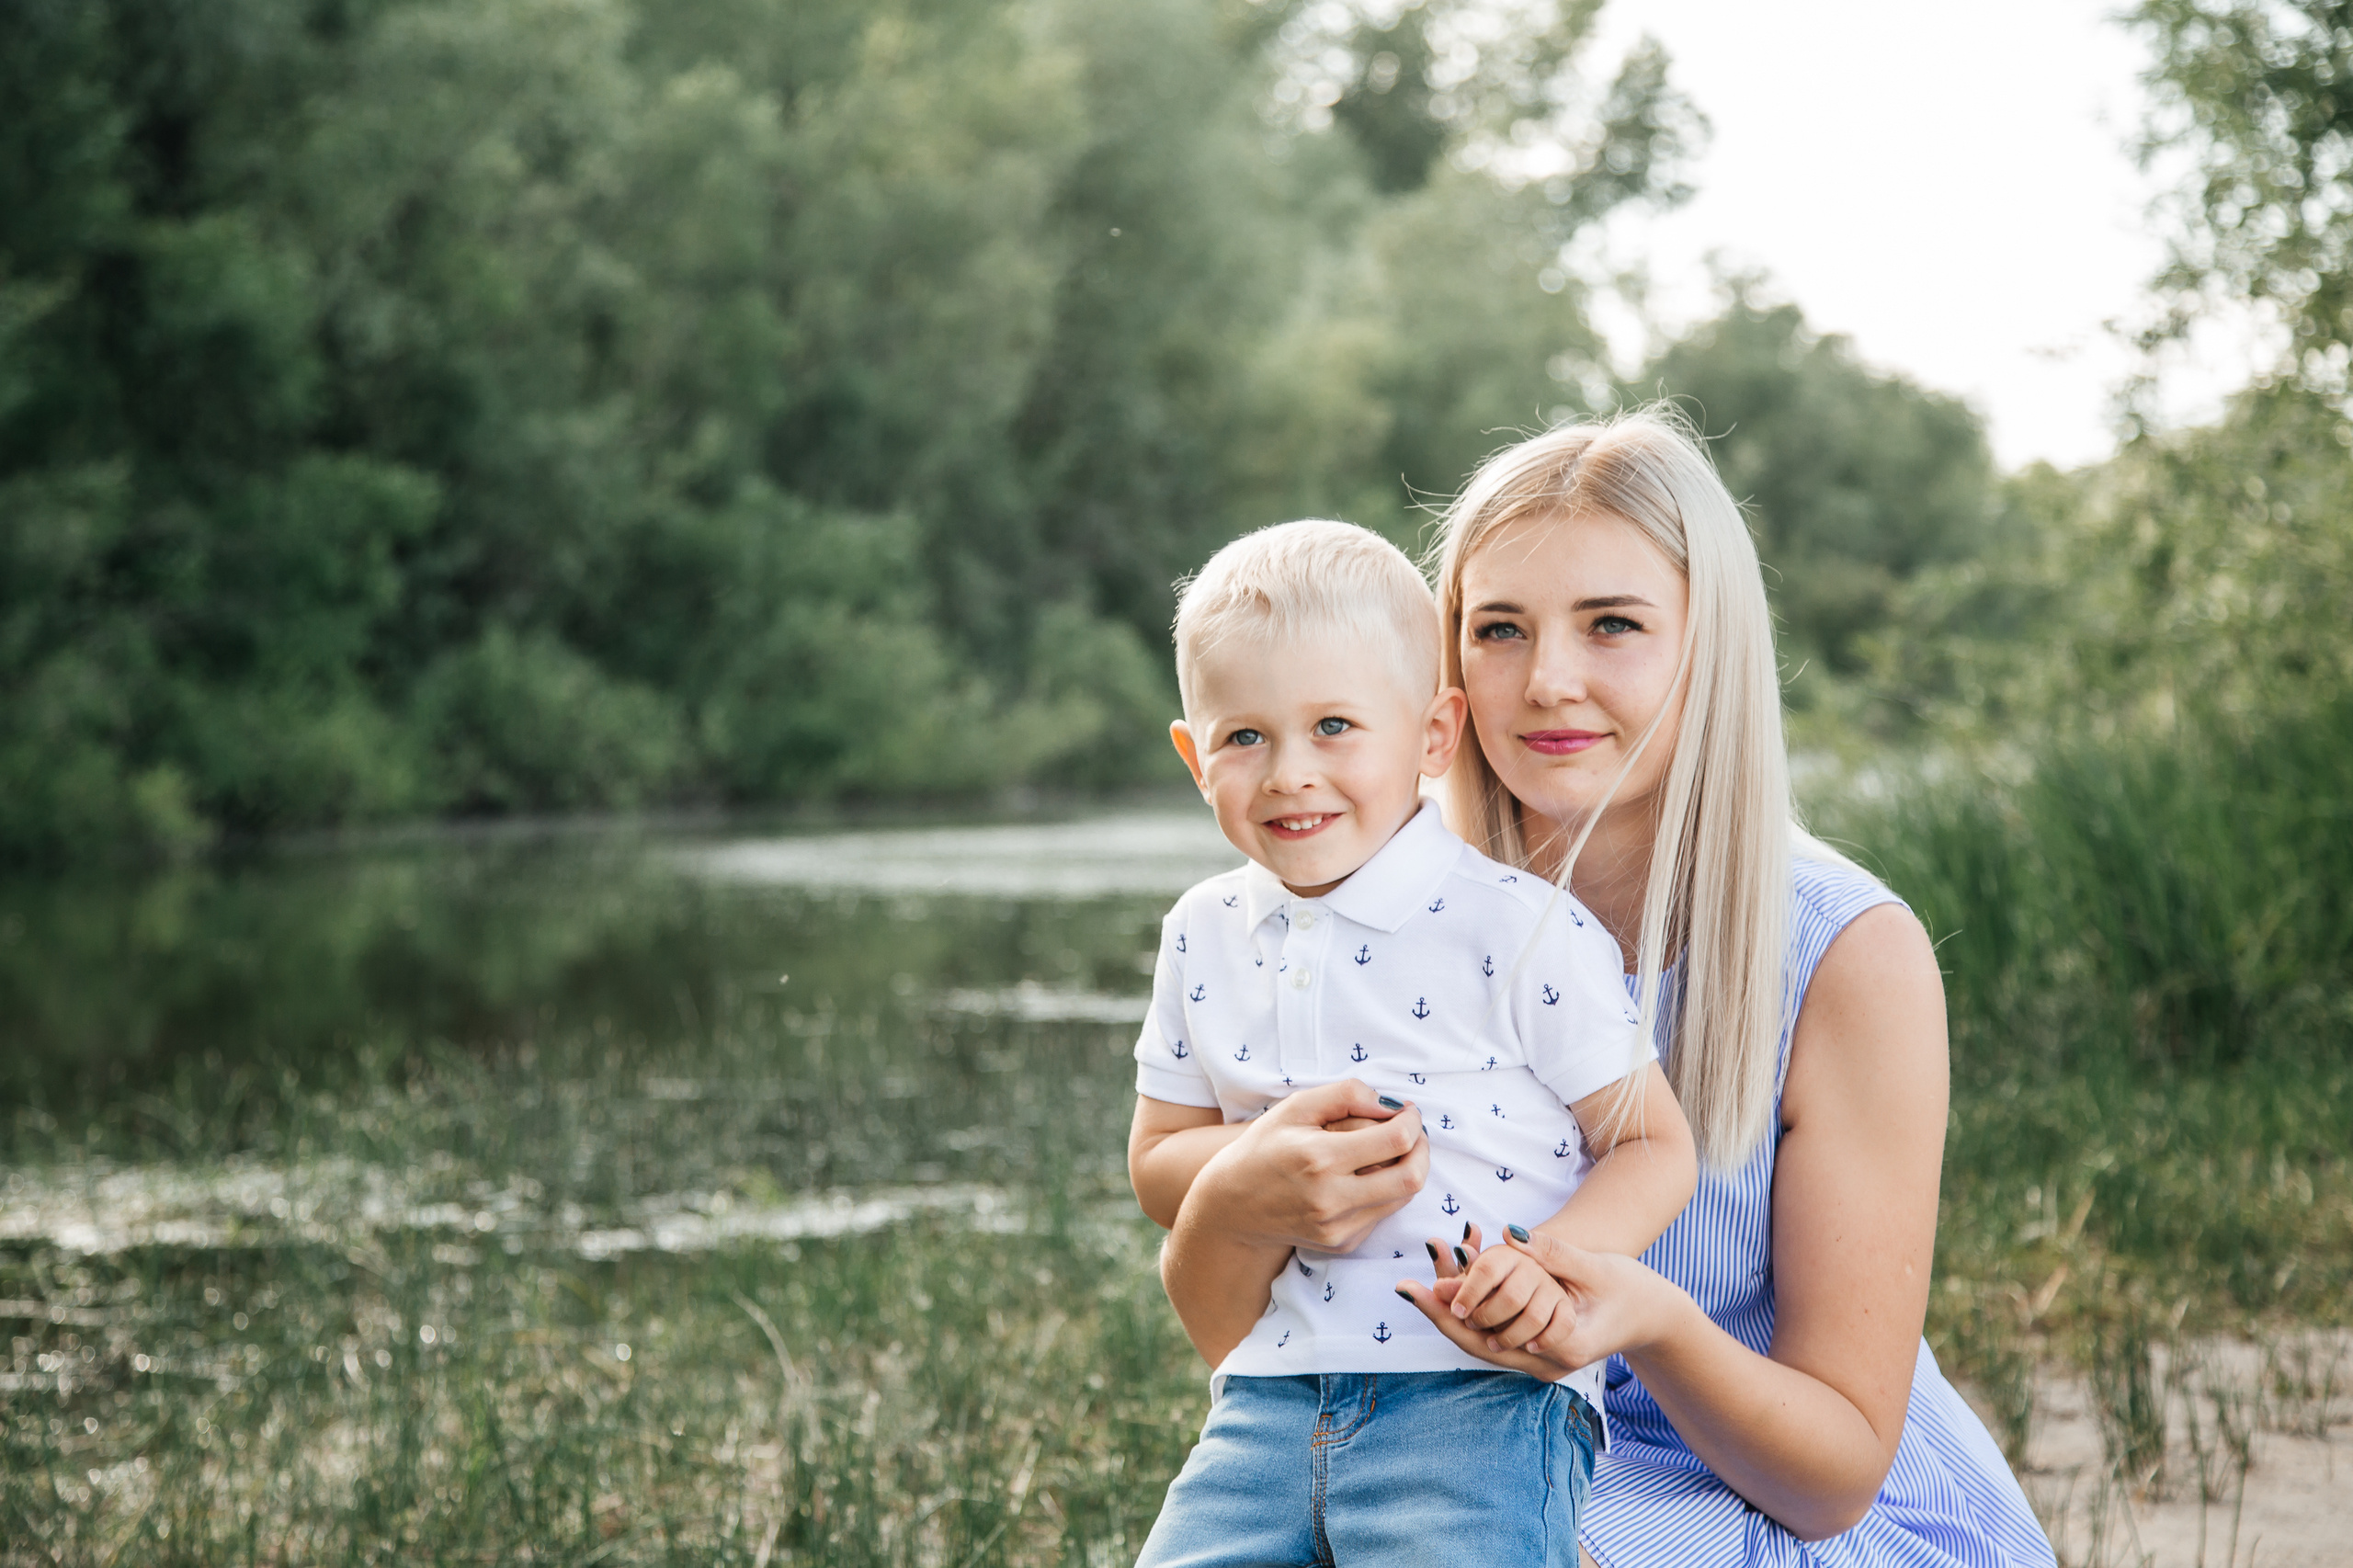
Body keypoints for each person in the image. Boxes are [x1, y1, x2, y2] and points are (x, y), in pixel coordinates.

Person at [1154, 412, 2056, 1566]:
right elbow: (1243, 1344)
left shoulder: (1844, 953)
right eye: (1498, 629)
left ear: (1706, 643)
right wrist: (1237, 1196)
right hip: (1458, 1447)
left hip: (1771, 1497)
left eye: (1613, 624)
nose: (1549, 681)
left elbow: (1830, 1476)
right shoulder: (1367, 909)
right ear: (1441, 673)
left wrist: (1646, 1315)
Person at [1126, 518, 1699, 1568]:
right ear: (1191, 754)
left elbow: (1654, 1143)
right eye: (1243, 737)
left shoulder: (1517, 926)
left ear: (1434, 735)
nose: (1291, 773)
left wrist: (1547, 1270)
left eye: (1335, 726)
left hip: (1482, 1392)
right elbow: (1160, 1164)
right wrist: (1259, 1166)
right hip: (1264, 1392)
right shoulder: (1201, 929)